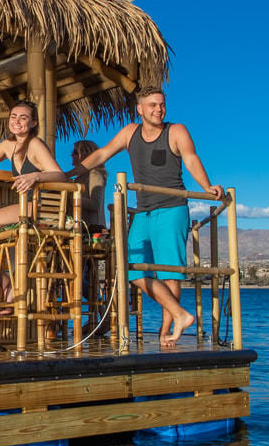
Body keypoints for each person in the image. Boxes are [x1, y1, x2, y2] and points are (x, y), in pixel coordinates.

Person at [68, 86, 223, 347]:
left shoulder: (176, 131)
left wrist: (207, 186)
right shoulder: (130, 133)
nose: (158, 109)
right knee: (131, 269)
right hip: (142, 212)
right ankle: (180, 315)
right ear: (140, 109)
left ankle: (167, 331)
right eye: (152, 105)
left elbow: (191, 158)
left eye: (161, 104)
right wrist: (67, 174)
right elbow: (103, 153)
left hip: (172, 209)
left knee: (168, 273)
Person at [0, 100, 67, 314]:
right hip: (27, 206)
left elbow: (61, 175)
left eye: (23, 118)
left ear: (33, 123)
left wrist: (36, 176)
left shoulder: (35, 144)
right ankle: (6, 286)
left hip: (42, 208)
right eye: (13, 116)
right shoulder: (8, 146)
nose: (17, 121)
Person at [71, 139, 107, 232]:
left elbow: (95, 204)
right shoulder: (80, 177)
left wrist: (72, 198)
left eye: (75, 152)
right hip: (82, 228)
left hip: (92, 230)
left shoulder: (95, 174)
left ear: (86, 155)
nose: (71, 155)